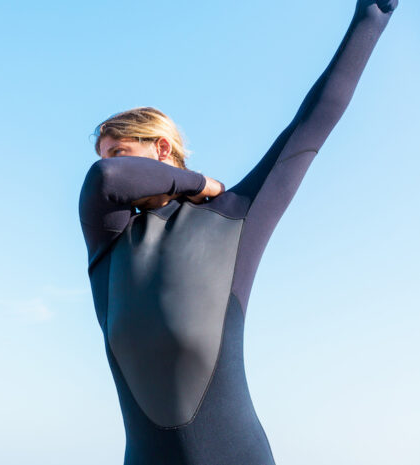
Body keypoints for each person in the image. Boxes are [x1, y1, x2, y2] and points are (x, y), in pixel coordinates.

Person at [77, 1, 398, 463]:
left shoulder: (237, 216)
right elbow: (105, 182)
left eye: (120, 151)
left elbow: (314, 120)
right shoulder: (108, 241)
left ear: (161, 148)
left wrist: (374, 14)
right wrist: (197, 182)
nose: (109, 164)